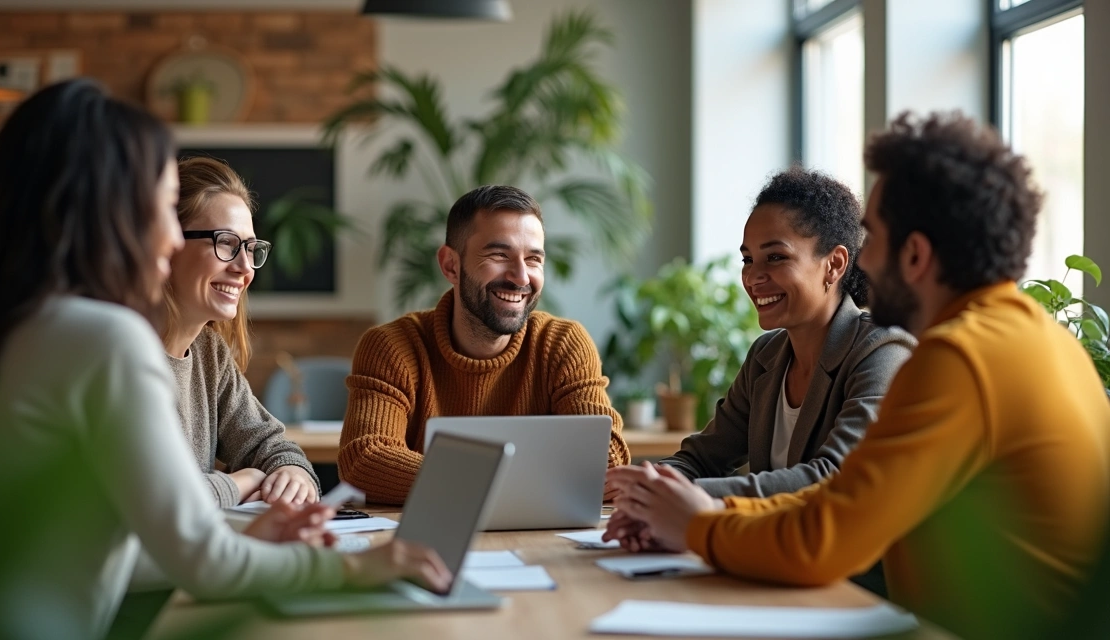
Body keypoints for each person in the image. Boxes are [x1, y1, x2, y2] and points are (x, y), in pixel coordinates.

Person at [0, 79, 449, 639]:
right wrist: (355, 566)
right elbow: (198, 560)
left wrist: (240, 537)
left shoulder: (4, 334)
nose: (167, 234)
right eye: (161, 207)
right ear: (108, 211)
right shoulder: (104, 340)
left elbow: (77, 552)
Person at [604, 111, 1110, 640]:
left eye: (874, 240)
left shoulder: (959, 356)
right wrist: (701, 510)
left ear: (914, 254)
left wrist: (696, 523)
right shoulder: (1038, 339)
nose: (862, 264)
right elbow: (843, 499)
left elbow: (824, 539)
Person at [616, 167, 913, 499]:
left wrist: (676, 493)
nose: (753, 277)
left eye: (775, 257)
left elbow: (832, 478)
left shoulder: (882, 351)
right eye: (747, 259)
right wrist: (644, 482)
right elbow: (702, 459)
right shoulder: (766, 356)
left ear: (834, 264)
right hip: (769, 548)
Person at [338, 185, 631, 505]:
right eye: (499, 255)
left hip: (541, 540)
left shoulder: (562, 343)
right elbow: (365, 461)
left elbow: (607, 463)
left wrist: (464, 480)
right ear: (451, 265)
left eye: (533, 259)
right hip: (426, 543)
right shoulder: (392, 347)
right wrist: (531, 481)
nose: (521, 277)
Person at [161, 156, 319, 508]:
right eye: (227, 243)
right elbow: (161, 502)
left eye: (250, 248)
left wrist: (292, 473)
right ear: (167, 243)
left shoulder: (209, 352)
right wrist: (247, 479)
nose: (245, 268)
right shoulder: (117, 354)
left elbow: (271, 446)